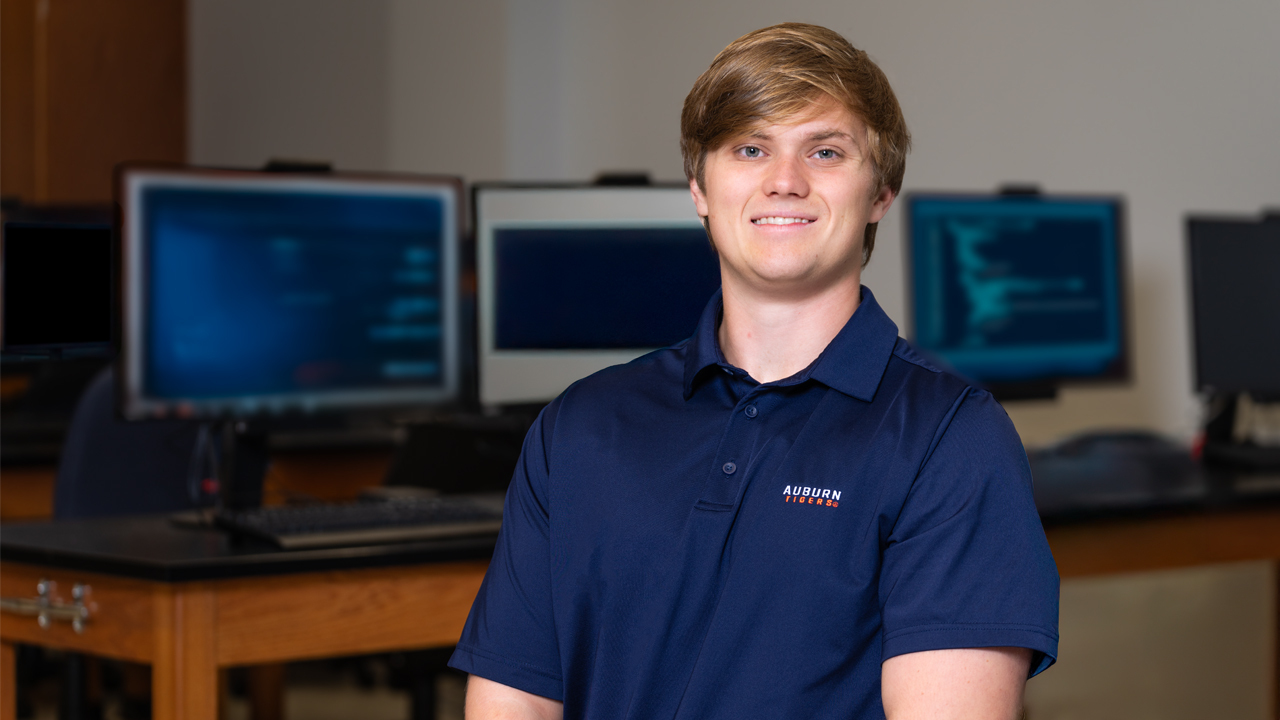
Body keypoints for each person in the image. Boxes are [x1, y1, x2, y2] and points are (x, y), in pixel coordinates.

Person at [449, 22, 1059, 720]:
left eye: (825, 151)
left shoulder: (951, 438)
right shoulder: (579, 426)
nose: (785, 181)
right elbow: (514, 700)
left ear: (881, 192)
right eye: (750, 148)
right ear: (700, 187)